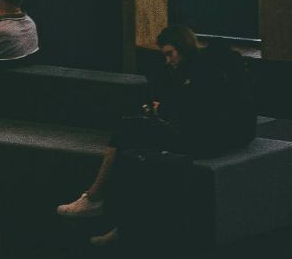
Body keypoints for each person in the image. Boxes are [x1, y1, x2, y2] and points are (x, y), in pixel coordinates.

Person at [55, 24, 256, 245]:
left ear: (182, 47)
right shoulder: (202, 67)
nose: (168, 60)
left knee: (129, 132)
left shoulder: (205, 71)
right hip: (213, 135)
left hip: (209, 140)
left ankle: (95, 199)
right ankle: (124, 225)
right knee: (135, 145)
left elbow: (202, 113)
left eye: (170, 54)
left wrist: (165, 110)